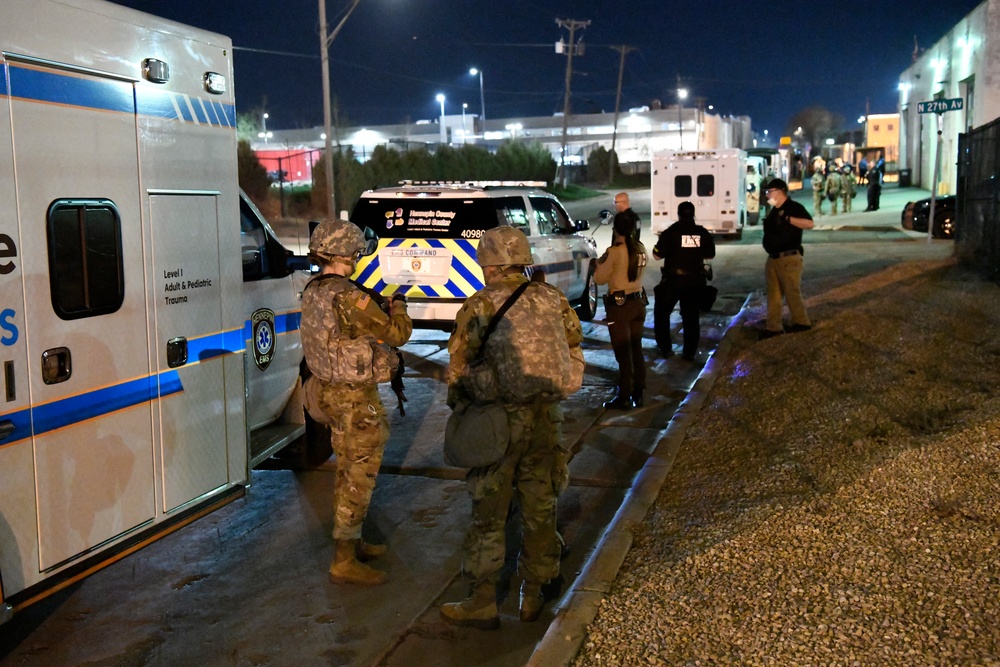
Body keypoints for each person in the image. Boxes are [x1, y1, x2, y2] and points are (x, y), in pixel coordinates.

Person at [441, 225, 582, 629]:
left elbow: (458, 366)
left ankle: (482, 601)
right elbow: (574, 344)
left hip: (497, 422)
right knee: (540, 507)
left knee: (489, 511)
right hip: (545, 420)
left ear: (488, 264)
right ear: (522, 260)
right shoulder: (552, 299)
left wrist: (462, 406)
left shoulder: (479, 305)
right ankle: (533, 594)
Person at [300, 218, 413, 586]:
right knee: (359, 474)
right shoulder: (350, 296)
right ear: (348, 253)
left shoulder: (314, 290)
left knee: (347, 467)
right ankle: (343, 559)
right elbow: (397, 335)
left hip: (328, 392)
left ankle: (353, 539)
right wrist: (398, 308)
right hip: (353, 398)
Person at [594, 214, 648, 409]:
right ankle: (639, 392)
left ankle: (624, 396)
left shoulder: (615, 251)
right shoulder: (640, 248)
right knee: (636, 348)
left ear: (615, 229)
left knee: (623, 353)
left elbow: (600, 279)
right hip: (638, 303)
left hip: (620, 306)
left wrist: (598, 264)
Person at [652, 201, 716, 361]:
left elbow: (657, 255)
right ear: (693, 214)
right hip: (695, 282)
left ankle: (665, 348)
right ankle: (689, 353)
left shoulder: (670, 232)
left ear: (679, 214)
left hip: (673, 281)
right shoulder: (701, 233)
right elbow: (710, 254)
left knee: (661, 314)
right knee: (691, 318)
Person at [759, 178, 814, 339]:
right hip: (773, 259)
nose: (768, 195)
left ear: (778, 191)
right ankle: (774, 327)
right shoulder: (773, 211)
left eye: (769, 192)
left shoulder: (793, 207)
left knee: (792, 291)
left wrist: (788, 219)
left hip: (789, 258)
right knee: (773, 295)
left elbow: (809, 224)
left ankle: (802, 323)